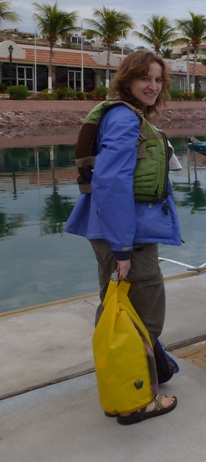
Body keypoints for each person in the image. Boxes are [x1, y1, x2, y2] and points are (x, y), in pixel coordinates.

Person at [65, 50, 181, 425]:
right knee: (143, 316)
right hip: (125, 232)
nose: (152, 86)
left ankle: (131, 379)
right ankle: (136, 401)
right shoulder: (125, 120)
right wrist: (123, 248)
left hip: (115, 228)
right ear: (127, 80)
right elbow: (112, 181)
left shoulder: (120, 115)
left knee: (118, 312)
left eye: (158, 79)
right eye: (145, 78)